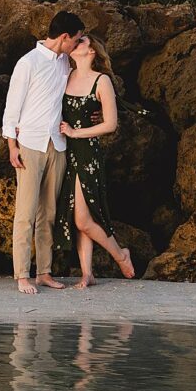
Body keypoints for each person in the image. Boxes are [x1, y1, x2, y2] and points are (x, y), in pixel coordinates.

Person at [2, 12, 82, 294]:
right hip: (30, 145)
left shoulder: (65, 62)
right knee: (25, 214)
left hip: (57, 145)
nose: (77, 44)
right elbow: (12, 108)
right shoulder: (28, 63)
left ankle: (44, 272)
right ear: (64, 37)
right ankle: (22, 274)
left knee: (48, 213)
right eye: (76, 39)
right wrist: (11, 146)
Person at [55, 34, 136, 288]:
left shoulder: (102, 81)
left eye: (81, 42)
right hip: (66, 151)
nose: (75, 44)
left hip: (87, 152)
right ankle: (87, 273)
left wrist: (76, 132)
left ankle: (120, 253)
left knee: (82, 218)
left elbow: (110, 124)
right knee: (80, 215)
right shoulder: (65, 75)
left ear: (91, 52)